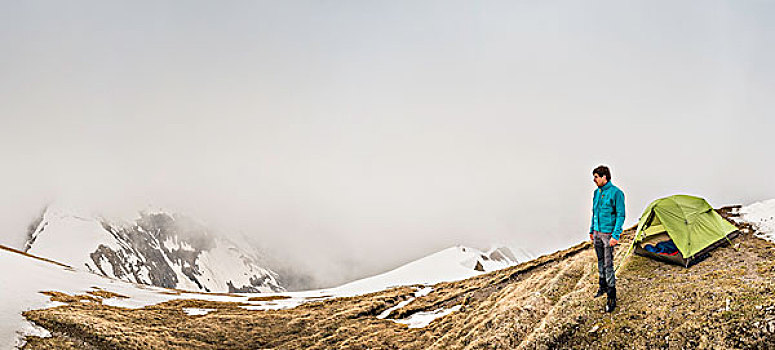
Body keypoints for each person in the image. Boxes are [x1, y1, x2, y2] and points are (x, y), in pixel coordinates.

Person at [589, 165, 625, 312]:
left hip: (608, 234)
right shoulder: (597, 193)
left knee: (608, 264)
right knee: (600, 261)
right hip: (597, 233)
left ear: (605, 177)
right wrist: (592, 230)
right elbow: (594, 212)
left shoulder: (617, 193)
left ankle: (611, 296)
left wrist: (615, 235)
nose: (594, 180)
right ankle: (602, 286)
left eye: (596, 177)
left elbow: (620, 215)